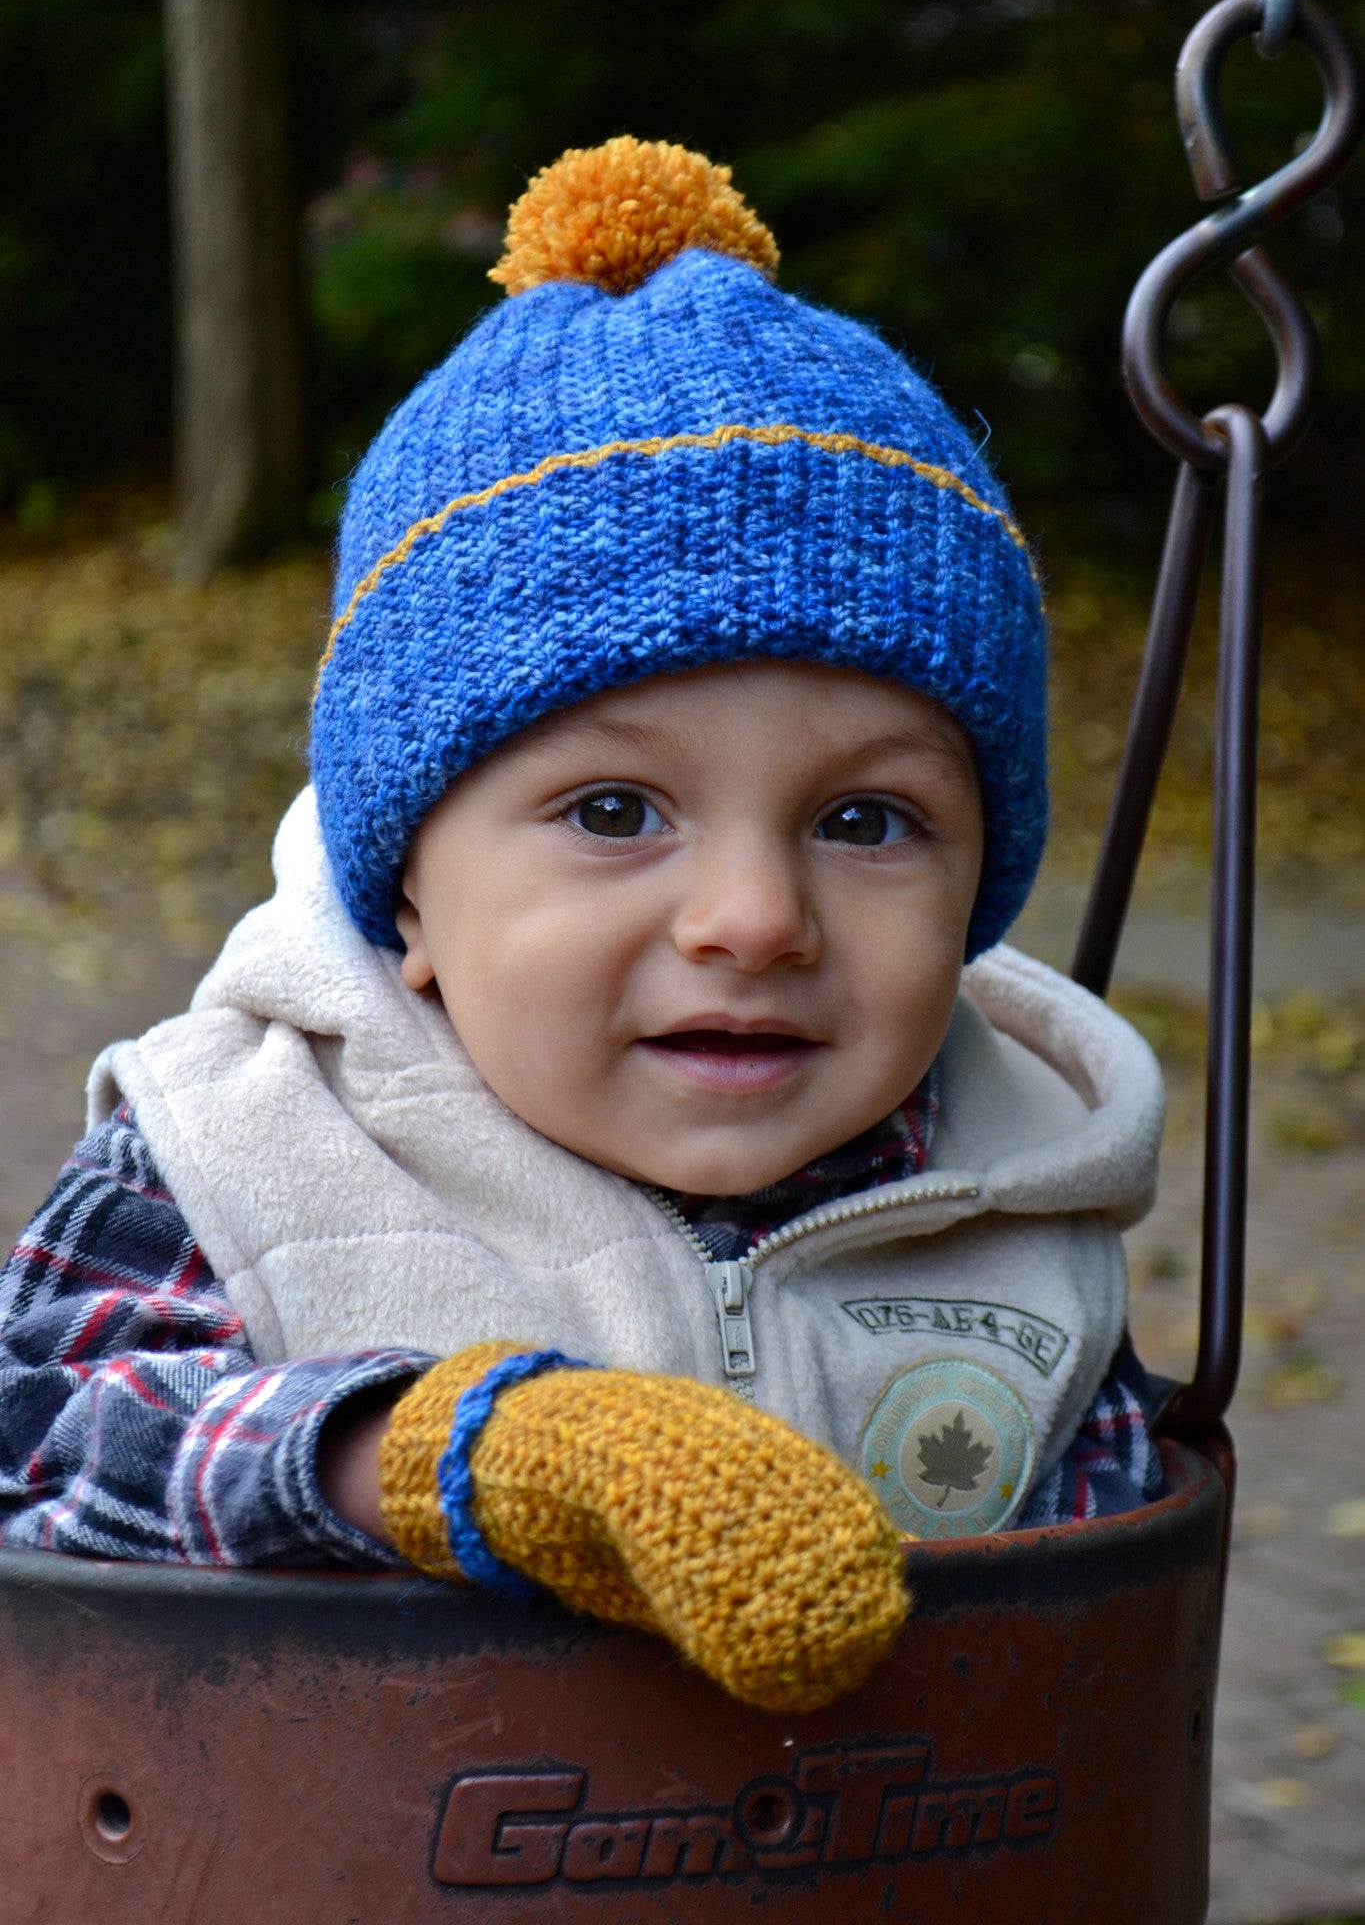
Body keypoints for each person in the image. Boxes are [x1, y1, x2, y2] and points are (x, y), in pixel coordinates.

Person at [0, 137, 1164, 1713]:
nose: (754, 919)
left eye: (864, 822)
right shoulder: (239, 1141)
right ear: (405, 885)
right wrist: (434, 1458)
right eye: (614, 812)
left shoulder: (1016, 1189)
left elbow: (1074, 1678)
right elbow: (48, 1443)